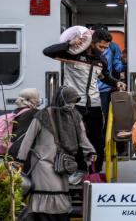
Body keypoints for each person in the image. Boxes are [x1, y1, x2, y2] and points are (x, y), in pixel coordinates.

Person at [43, 29, 126, 173]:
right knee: (76, 137)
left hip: (94, 103)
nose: (103, 50)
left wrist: (116, 83)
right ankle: (79, 169)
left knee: (97, 139)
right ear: (91, 42)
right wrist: (69, 44)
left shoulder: (101, 60)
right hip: (75, 104)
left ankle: (97, 171)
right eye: (101, 47)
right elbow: (47, 51)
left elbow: (105, 77)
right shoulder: (72, 53)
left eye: (106, 48)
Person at [16, 86, 96, 221]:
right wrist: (20, 160)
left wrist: (90, 151)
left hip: (62, 165)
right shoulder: (43, 115)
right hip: (44, 164)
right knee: (51, 199)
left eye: (74, 102)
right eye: (70, 101)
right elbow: (28, 139)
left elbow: (82, 137)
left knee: (56, 199)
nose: (72, 105)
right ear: (62, 99)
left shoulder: (74, 115)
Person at [8, 88, 41, 160]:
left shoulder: (15, 112)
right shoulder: (35, 113)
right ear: (34, 99)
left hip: (10, 151)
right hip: (24, 155)